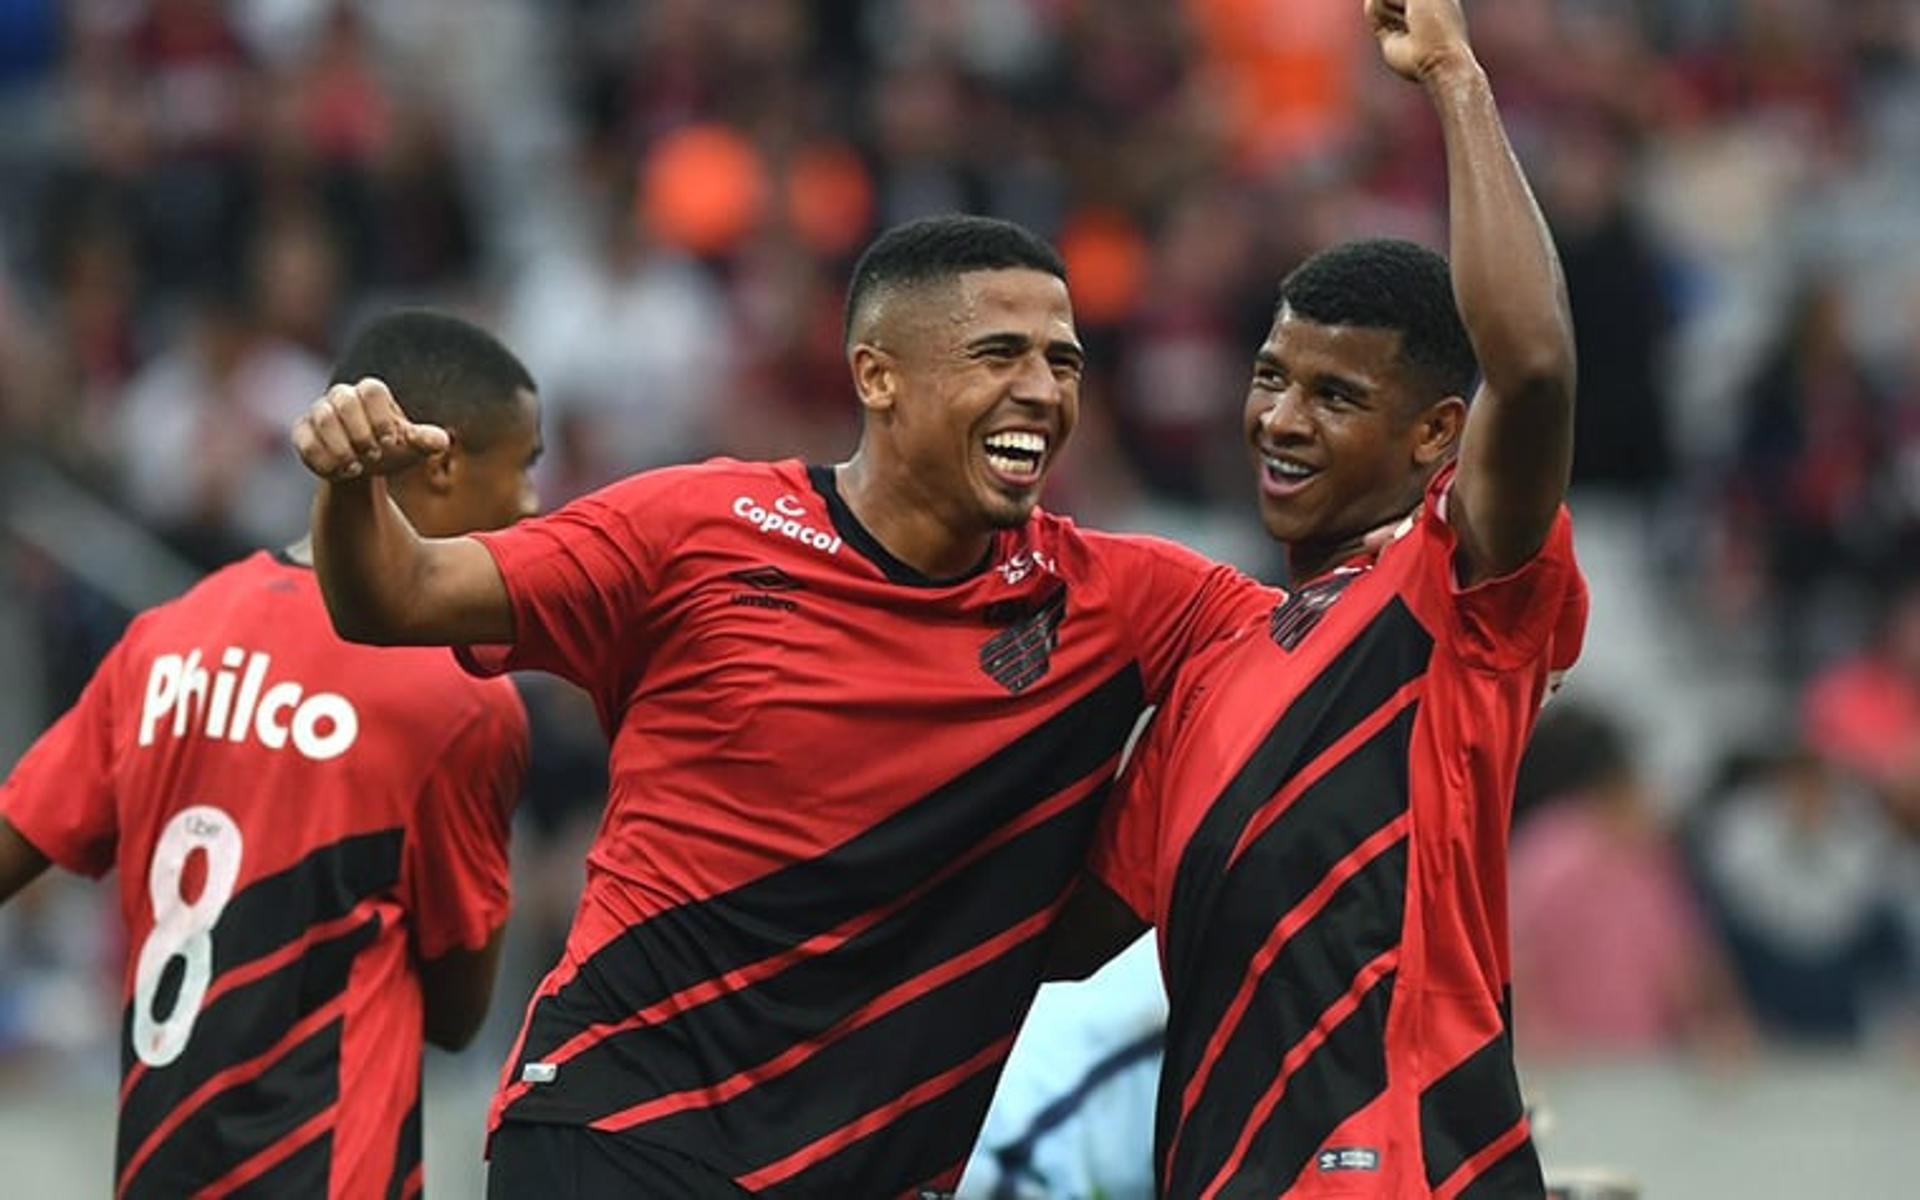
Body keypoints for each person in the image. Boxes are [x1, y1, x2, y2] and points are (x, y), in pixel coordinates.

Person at [291, 216, 1279, 1197]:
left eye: (1063, 362)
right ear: (877, 375)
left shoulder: (1126, 601)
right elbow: (399, 595)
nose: (1042, 390)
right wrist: (349, 486)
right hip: (623, 1128)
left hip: (863, 1170)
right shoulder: (695, 529)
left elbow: (1339, 648)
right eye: (998, 354)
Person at [1063, 1, 1590, 1195]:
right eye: (1269, 378)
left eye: (1337, 396)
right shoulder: (1216, 669)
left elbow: (1537, 363)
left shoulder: (1459, 588)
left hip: (1412, 1167)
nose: (1281, 422)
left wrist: (1455, 76)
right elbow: (1060, 937)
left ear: (1435, 437)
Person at [0, 311, 539, 1198]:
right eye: (524, 465)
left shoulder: (167, 638)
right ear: (443, 464)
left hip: (156, 1169)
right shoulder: (458, 699)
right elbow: (457, 1013)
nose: (531, 505)